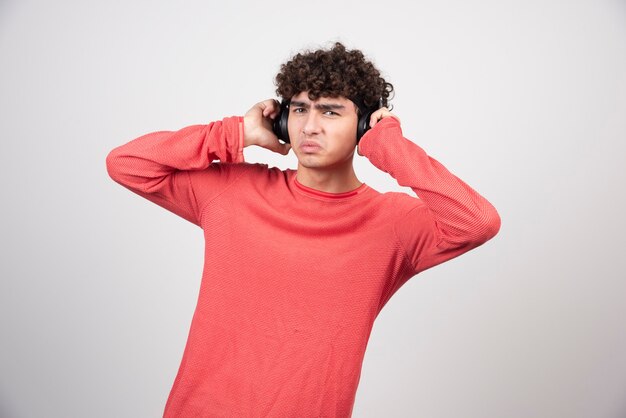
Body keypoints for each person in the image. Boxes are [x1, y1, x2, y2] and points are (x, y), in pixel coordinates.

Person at [106, 41, 501, 418]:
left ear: (364, 124)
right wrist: (235, 134)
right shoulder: (233, 191)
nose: (310, 127)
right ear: (281, 119)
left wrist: (389, 146)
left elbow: (477, 221)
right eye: (299, 110)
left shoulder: (393, 225)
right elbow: (127, 164)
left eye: (330, 112)